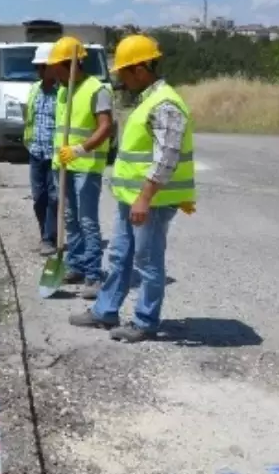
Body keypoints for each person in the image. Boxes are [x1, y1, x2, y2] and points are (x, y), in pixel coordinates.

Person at [70, 34, 195, 342]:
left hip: (148, 201)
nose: (121, 81)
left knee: (148, 261)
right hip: (133, 198)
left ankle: (145, 321)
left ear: (140, 69)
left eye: (124, 73)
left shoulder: (165, 104)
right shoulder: (147, 100)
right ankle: (105, 310)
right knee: (119, 255)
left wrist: (146, 197)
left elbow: (167, 155)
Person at [48, 36, 114, 300]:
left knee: (87, 221)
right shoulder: (64, 89)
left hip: (86, 165)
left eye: (57, 66)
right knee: (69, 219)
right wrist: (63, 155)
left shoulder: (97, 89)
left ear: (72, 64)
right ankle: (74, 266)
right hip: (62, 164)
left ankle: (93, 275)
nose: (53, 71)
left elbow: (105, 127)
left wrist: (79, 149)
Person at [24, 43, 59, 256]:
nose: (39, 71)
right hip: (36, 151)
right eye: (38, 67)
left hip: (55, 154)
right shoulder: (34, 89)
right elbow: (29, 117)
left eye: (42, 66)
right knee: (39, 197)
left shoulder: (63, 92)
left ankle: (49, 238)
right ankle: (45, 233)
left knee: (55, 197)